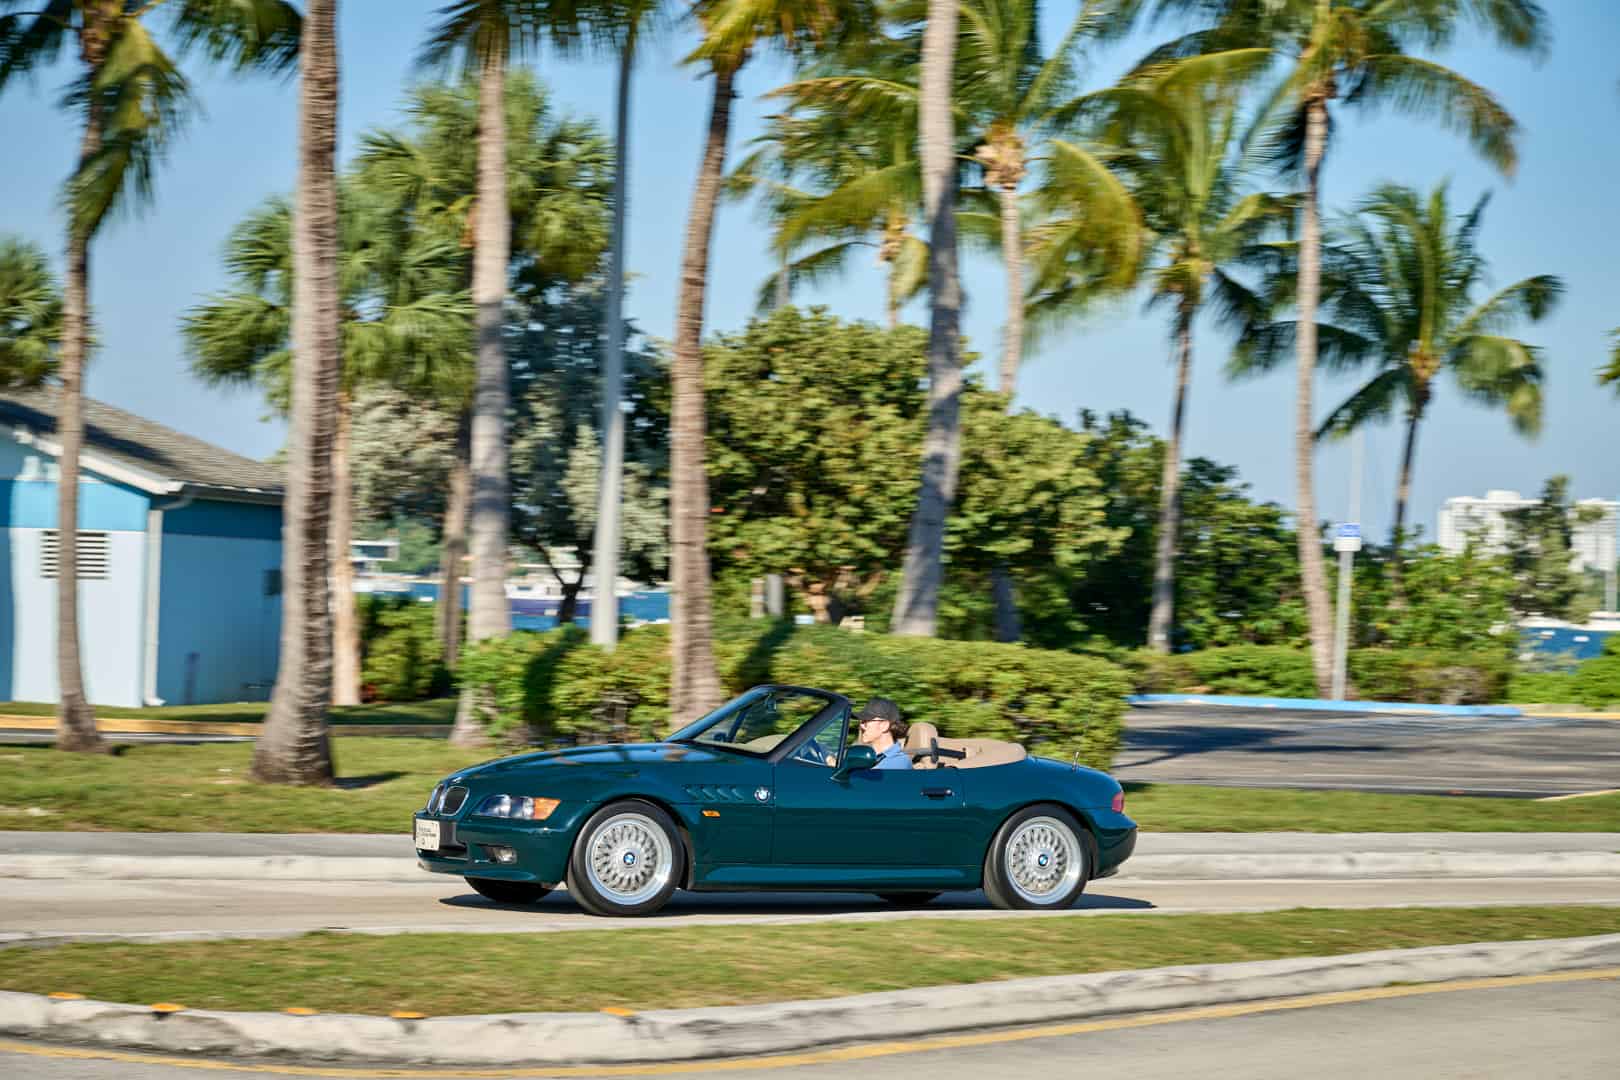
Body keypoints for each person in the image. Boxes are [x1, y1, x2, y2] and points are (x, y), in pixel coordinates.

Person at [854, 698, 912, 770]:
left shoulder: (900, 762)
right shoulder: (869, 758)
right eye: (861, 722)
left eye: (865, 722)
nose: (861, 726)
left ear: (884, 726)